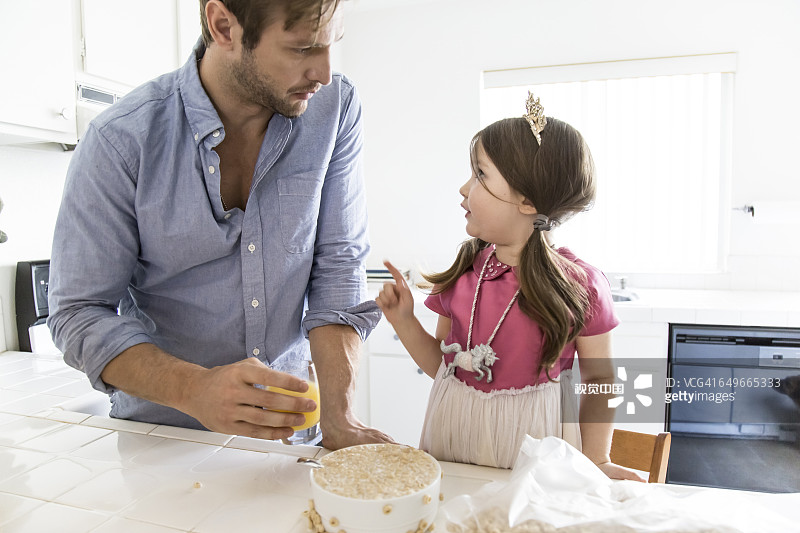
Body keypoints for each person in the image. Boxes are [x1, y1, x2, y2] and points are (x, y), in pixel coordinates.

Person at [47, 0, 391, 450]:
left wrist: (339, 417)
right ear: (223, 26)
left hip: (292, 437)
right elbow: (78, 312)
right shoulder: (120, 140)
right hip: (164, 440)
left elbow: (338, 266)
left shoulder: (334, 109)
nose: (324, 73)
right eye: (302, 48)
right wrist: (194, 389)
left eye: (331, 45)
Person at [376, 93, 642, 479]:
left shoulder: (580, 286)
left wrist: (597, 459)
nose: (464, 188)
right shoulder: (463, 274)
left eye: (480, 174)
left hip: (539, 451)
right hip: (454, 439)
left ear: (528, 201)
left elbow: (601, 379)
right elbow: (442, 368)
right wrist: (404, 320)